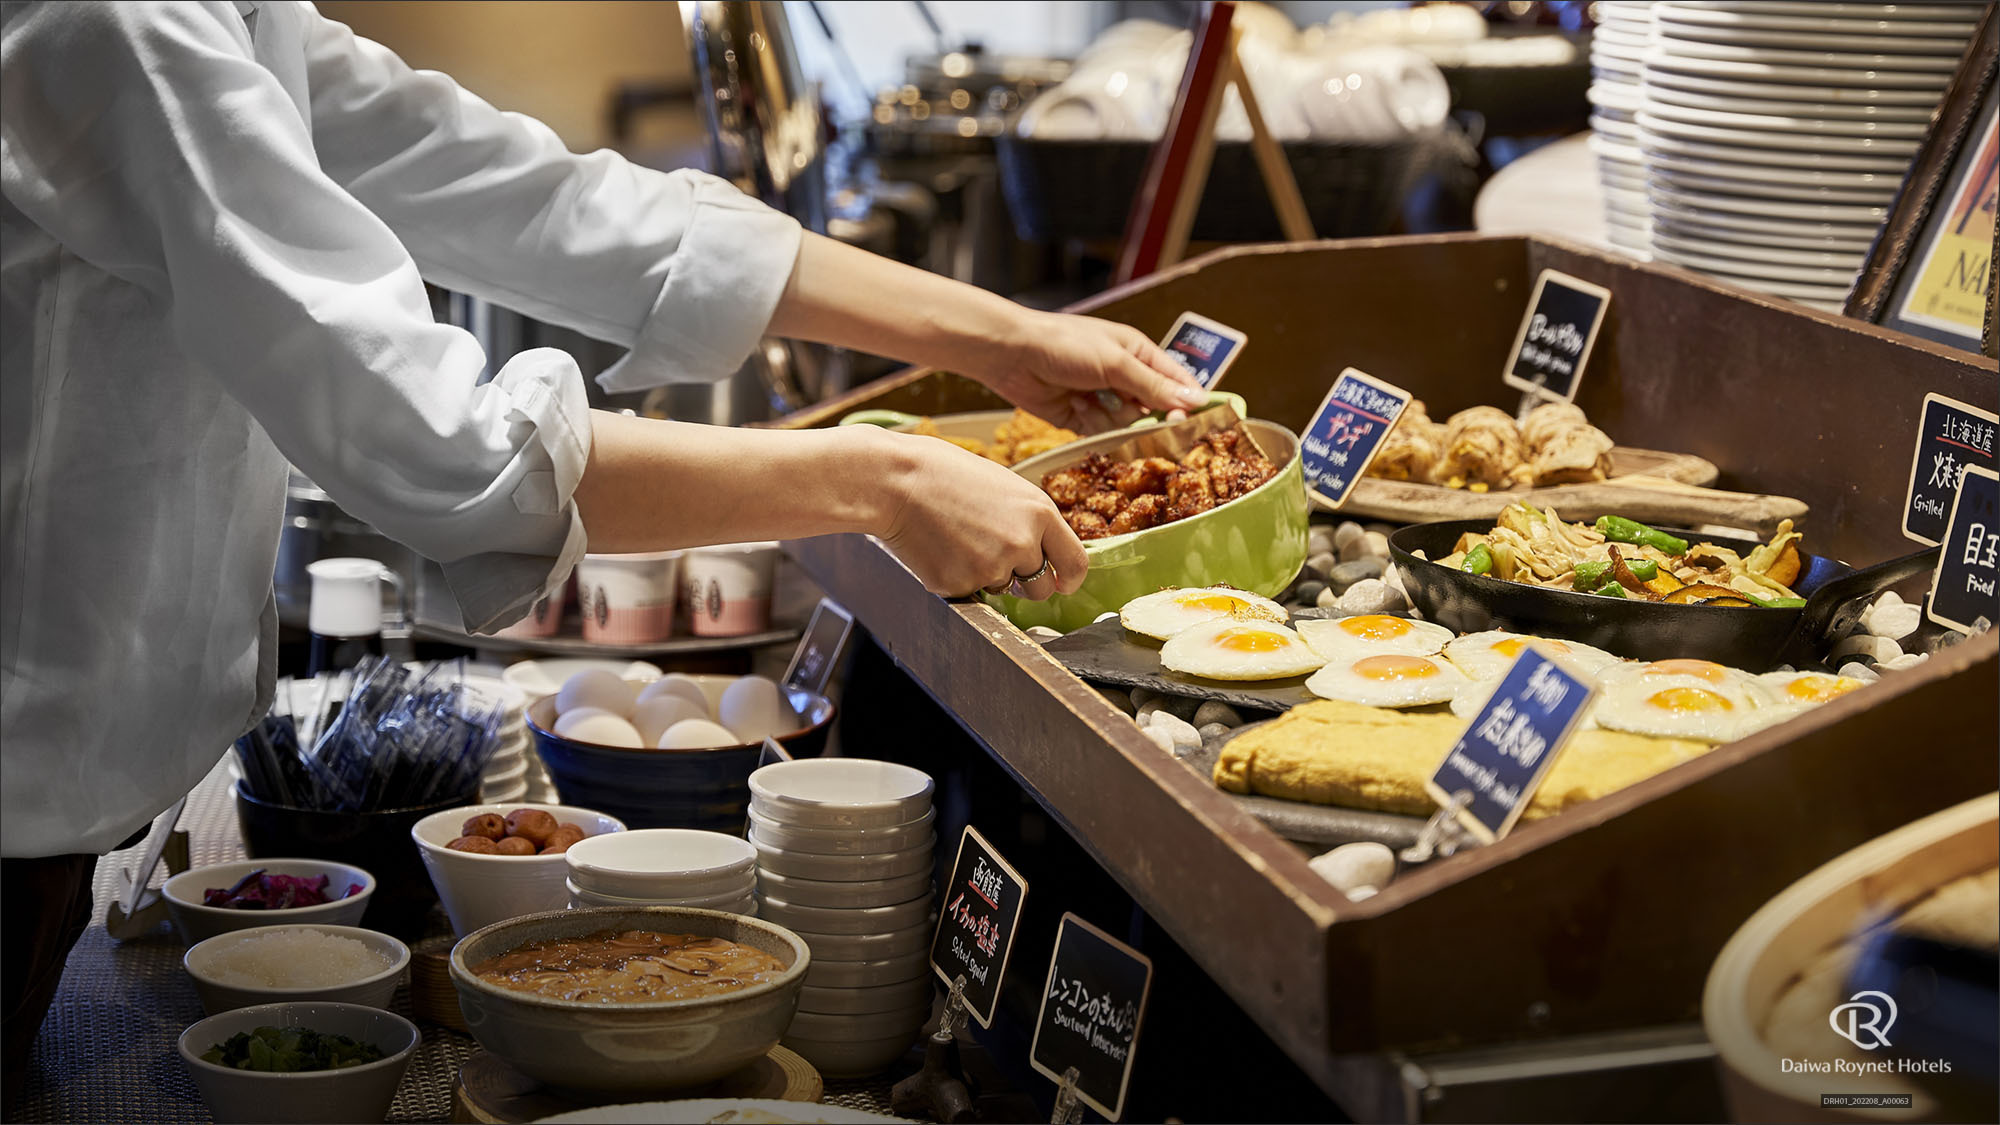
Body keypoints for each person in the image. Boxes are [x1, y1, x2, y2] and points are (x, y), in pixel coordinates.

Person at [0, 0, 1204, 1096]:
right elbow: (444, 449)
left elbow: (525, 194)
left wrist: (1000, 335)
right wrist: (873, 480)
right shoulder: (116, 21)